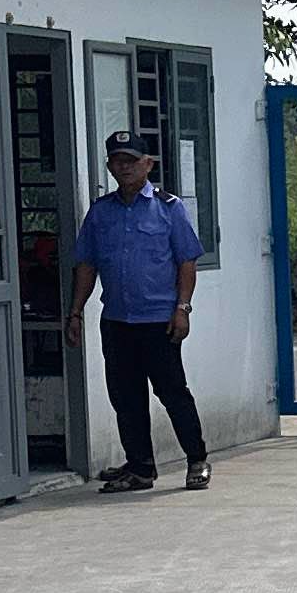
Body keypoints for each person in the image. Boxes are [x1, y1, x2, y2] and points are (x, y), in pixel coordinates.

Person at [66, 130, 211, 494]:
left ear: (148, 164)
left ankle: (197, 459)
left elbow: (187, 262)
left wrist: (183, 308)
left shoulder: (169, 208)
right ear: (109, 166)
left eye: (131, 161)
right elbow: (86, 265)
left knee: (173, 393)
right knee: (126, 398)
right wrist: (75, 312)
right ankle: (140, 468)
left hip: (159, 322)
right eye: (117, 161)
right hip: (117, 321)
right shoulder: (100, 213)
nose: (124, 167)